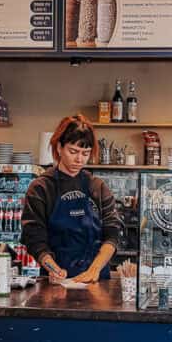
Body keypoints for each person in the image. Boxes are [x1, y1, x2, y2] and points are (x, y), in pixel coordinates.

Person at [21, 114, 121, 283]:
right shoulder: (41, 188)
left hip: (97, 281)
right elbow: (34, 237)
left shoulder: (97, 186)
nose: (79, 159)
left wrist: (94, 270)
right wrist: (53, 268)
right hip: (58, 281)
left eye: (85, 153)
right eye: (73, 151)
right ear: (59, 147)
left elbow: (113, 232)